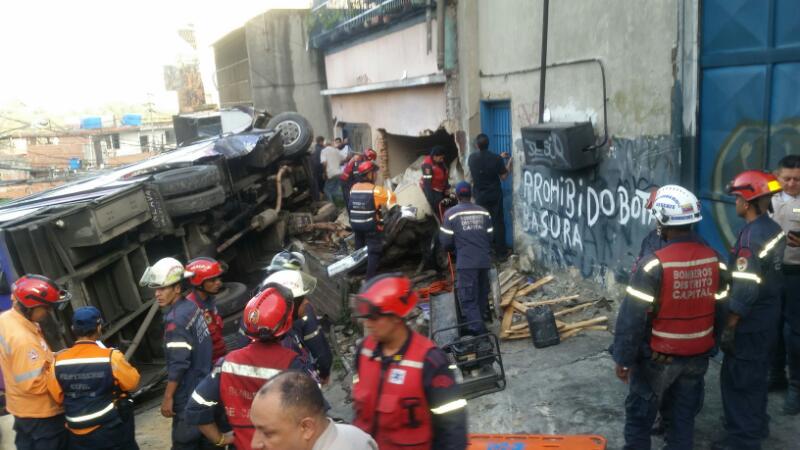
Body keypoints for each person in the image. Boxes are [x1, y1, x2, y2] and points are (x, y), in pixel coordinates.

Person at [612, 185, 729, 449]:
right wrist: (712, 344)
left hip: (659, 357)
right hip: (697, 356)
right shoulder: (716, 260)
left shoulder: (654, 264)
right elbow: (721, 309)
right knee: (682, 420)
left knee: (639, 419)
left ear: (662, 220)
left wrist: (623, 358)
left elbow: (632, 318)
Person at [185, 285, 318, 450]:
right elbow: (317, 411)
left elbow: (195, 407)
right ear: (286, 322)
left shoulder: (226, 363)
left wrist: (220, 439)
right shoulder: (294, 365)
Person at [351, 274, 468, 450]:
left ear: (396, 317)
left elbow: (453, 429)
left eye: (374, 317)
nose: (368, 324)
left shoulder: (430, 363)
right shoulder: (364, 351)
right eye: (366, 318)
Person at [713, 170, 786, 450]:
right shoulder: (773, 228)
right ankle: (756, 425)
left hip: (750, 322)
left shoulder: (749, 240)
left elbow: (745, 290)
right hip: (769, 317)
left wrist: (730, 325)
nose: (735, 203)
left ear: (747, 201)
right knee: (756, 376)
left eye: (737, 198)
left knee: (738, 380)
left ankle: (742, 440)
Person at [140, 257, 213, 450]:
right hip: (204, 384)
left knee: (185, 443)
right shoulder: (191, 308)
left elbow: (179, 364)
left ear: (177, 289)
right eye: (156, 289)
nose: (157, 294)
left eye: (162, 289)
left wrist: (168, 397)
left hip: (188, 392)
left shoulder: (175, 321)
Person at [48, 306, 140, 450]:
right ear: (98, 327)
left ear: (73, 329)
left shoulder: (58, 361)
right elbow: (133, 384)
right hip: (108, 429)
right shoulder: (110, 356)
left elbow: (57, 397)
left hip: (76, 431)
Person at [0, 274, 70, 450]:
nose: (48, 313)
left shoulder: (7, 319)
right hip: (42, 415)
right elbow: (34, 383)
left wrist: (56, 357)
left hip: (22, 410)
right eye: (46, 308)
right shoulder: (23, 340)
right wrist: (69, 376)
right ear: (31, 306)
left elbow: (27, 361)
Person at [250, 371, 377, 450]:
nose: (254, 444)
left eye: (268, 433)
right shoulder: (353, 434)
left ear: (306, 428)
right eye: (255, 428)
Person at [439, 182, 494, 335]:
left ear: (457, 195)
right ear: (471, 194)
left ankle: (479, 332)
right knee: (481, 294)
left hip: (466, 262)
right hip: (484, 260)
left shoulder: (450, 214)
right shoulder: (484, 212)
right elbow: (490, 236)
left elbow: (445, 242)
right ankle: (480, 324)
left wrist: (455, 251)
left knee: (469, 297)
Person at [262, 269, 332, 382]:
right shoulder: (285, 342)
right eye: (301, 299)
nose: (306, 302)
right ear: (290, 306)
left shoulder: (284, 330)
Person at [770, 155, 800, 413]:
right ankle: (776, 376)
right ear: (778, 178)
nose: (791, 184)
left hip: (796, 275)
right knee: (773, 326)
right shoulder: (769, 199)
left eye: (797, 179)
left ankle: (796, 387)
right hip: (772, 274)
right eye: (786, 178)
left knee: (794, 334)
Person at [348, 160, 396, 280]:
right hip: (370, 226)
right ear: (369, 174)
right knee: (374, 251)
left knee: (359, 247)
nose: (376, 175)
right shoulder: (376, 190)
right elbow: (392, 200)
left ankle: (358, 270)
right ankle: (370, 279)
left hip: (355, 224)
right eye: (375, 173)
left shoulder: (353, 187)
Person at [467, 134, 512, 259]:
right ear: (489, 144)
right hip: (494, 195)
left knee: (481, 224)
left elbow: (484, 164)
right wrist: (508, 164)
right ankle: (501, 254)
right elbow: (503, 177)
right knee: (497, 223)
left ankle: (483, 252)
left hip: (479, 196)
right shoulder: (496, 159)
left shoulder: (471, 158)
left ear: (477, 145)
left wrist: (499, 157)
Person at [186, 257, 227, 362]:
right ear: (199, 283)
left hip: (219, 356)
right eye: (212, 280)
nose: (218, 283)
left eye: (218, 278)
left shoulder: (210, 300)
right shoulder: (190, 308)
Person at [421, 146, 450, 214]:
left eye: (443, 158)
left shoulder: (439, 162)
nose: (442, 160)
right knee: (438, 207)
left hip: (441, 187)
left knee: (446, 203)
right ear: (434, 157)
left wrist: (446, 187)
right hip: (433, 190)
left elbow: (444, 173)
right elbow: (427, 184)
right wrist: (431, 199)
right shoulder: (427, 165)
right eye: (440, 158)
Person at [320, 140, 347, 204]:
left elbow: (324, 163)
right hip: (339, 173)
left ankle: (331, 205)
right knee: (335, 190)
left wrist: (325, 173)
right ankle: (346, 199)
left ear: (325, 145)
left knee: (326, 190)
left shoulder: (324, 151)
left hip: (331, 173)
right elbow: (344, 160)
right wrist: (337, 163)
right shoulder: (336, 150)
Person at [310, 136, 326, 202]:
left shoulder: (314, 149)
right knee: (323, 185)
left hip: (313, 170)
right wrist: (324, 171)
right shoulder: (322, 149)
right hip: (321, 170)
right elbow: (323, 161)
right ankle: (324, 198)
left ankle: (319, 198)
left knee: (317, 186)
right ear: (321, 141)